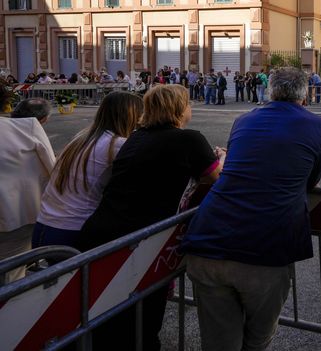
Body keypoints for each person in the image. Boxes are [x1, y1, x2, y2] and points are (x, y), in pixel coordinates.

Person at [181, 68, 321, 351]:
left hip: (209, 240)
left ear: (271, 91)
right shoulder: (317, 126)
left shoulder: (244, 119)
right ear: (305, 92)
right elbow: (311, 180)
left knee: (219, 343)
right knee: (257, 340)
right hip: (265, 250)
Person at [79, 84, 224, 351]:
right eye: (188, 103)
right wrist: (222, 158)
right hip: (141, 241)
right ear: (179, 109)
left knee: (107, 313)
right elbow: (213, 176)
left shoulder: (136, 137)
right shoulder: (189, 139)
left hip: (104, 231)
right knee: (144, 316)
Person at [33, 92, 143, 250]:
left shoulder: (82, 138)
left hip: (44, 226)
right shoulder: (118, 144)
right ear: (131, 115)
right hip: (73, 231)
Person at [0, 99, 56, 283]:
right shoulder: (27, 127)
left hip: (13, 212)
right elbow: (51, 169)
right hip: (14, 213)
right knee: (12, 273)